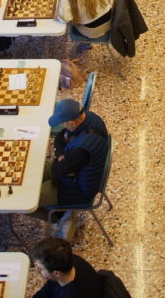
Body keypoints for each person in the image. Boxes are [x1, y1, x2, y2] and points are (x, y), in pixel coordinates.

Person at [34, 99, 108, 239]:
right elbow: (60, 137)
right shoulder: (90, 117)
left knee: (28, 201)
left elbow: (57, 171)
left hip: (75, 190)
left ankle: (60, 216)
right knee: (35, 168)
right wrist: (60, 154)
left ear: (72, 123)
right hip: (71, 172)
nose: (62, 126)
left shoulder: (83, 148)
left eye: (63, 123)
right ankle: (63, 212)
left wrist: (61, 162)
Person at [30, 237, 103, 298]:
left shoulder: (70, 294)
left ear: (56, 273)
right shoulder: (66, 259)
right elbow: (49, 287)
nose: (37, 270)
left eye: (40, 268)